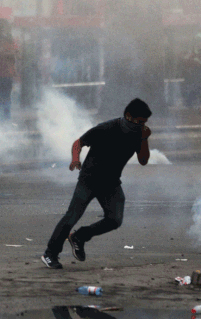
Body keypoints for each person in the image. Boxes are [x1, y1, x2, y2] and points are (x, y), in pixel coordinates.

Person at [41, 98, 152, 270]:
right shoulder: (106, 128)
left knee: (115, 219)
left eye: (144, 122)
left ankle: (79, 237)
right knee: (72, 216)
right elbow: (79, 143)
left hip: (111, 183)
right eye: (139, 121)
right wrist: (75, 159)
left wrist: (144, 140)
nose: (141, 125)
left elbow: (143, 160)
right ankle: (50, 253)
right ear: (128, 116)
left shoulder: (139, 134)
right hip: (89, 180)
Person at [0, 19, 17, 119]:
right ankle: (4, 117)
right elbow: (16, 54)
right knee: (5, 96)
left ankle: (0, 117)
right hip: (5, 73)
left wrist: (3, 52)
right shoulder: (9, 40)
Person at [182, 33, 201, 109]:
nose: (199, 43)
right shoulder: (192, 51)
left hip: (197, 71)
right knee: (194, 87)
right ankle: (189, 103)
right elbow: (186, 59)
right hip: (195, 72)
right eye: (197, 41)